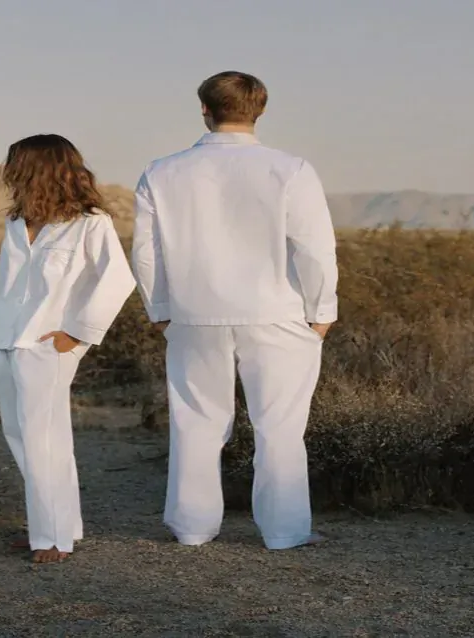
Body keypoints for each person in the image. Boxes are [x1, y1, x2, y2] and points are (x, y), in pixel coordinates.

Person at [131, 71, 338, 550]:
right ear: (259, 111)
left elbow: (147, 252)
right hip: (277, 313)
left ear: (204, 108)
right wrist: (321, 308)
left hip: (192, 314)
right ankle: (285, 531)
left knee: (196, 421)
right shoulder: (291, 169)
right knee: (281, 426)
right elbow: (315, 249)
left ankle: (192, 527)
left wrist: (160, 307)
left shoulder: (160, 172)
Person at [0, 134, 135, 563]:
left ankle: (50, 538)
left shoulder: (90, 221)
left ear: (39, 168)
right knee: (21, 435)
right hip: (7, 337)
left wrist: (78, 332)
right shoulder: (17, 221)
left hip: (49, 343)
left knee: (42, 439)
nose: (8, 171)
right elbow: (7, 286)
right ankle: (62, 527)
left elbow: (118, 280)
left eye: (16, 163)